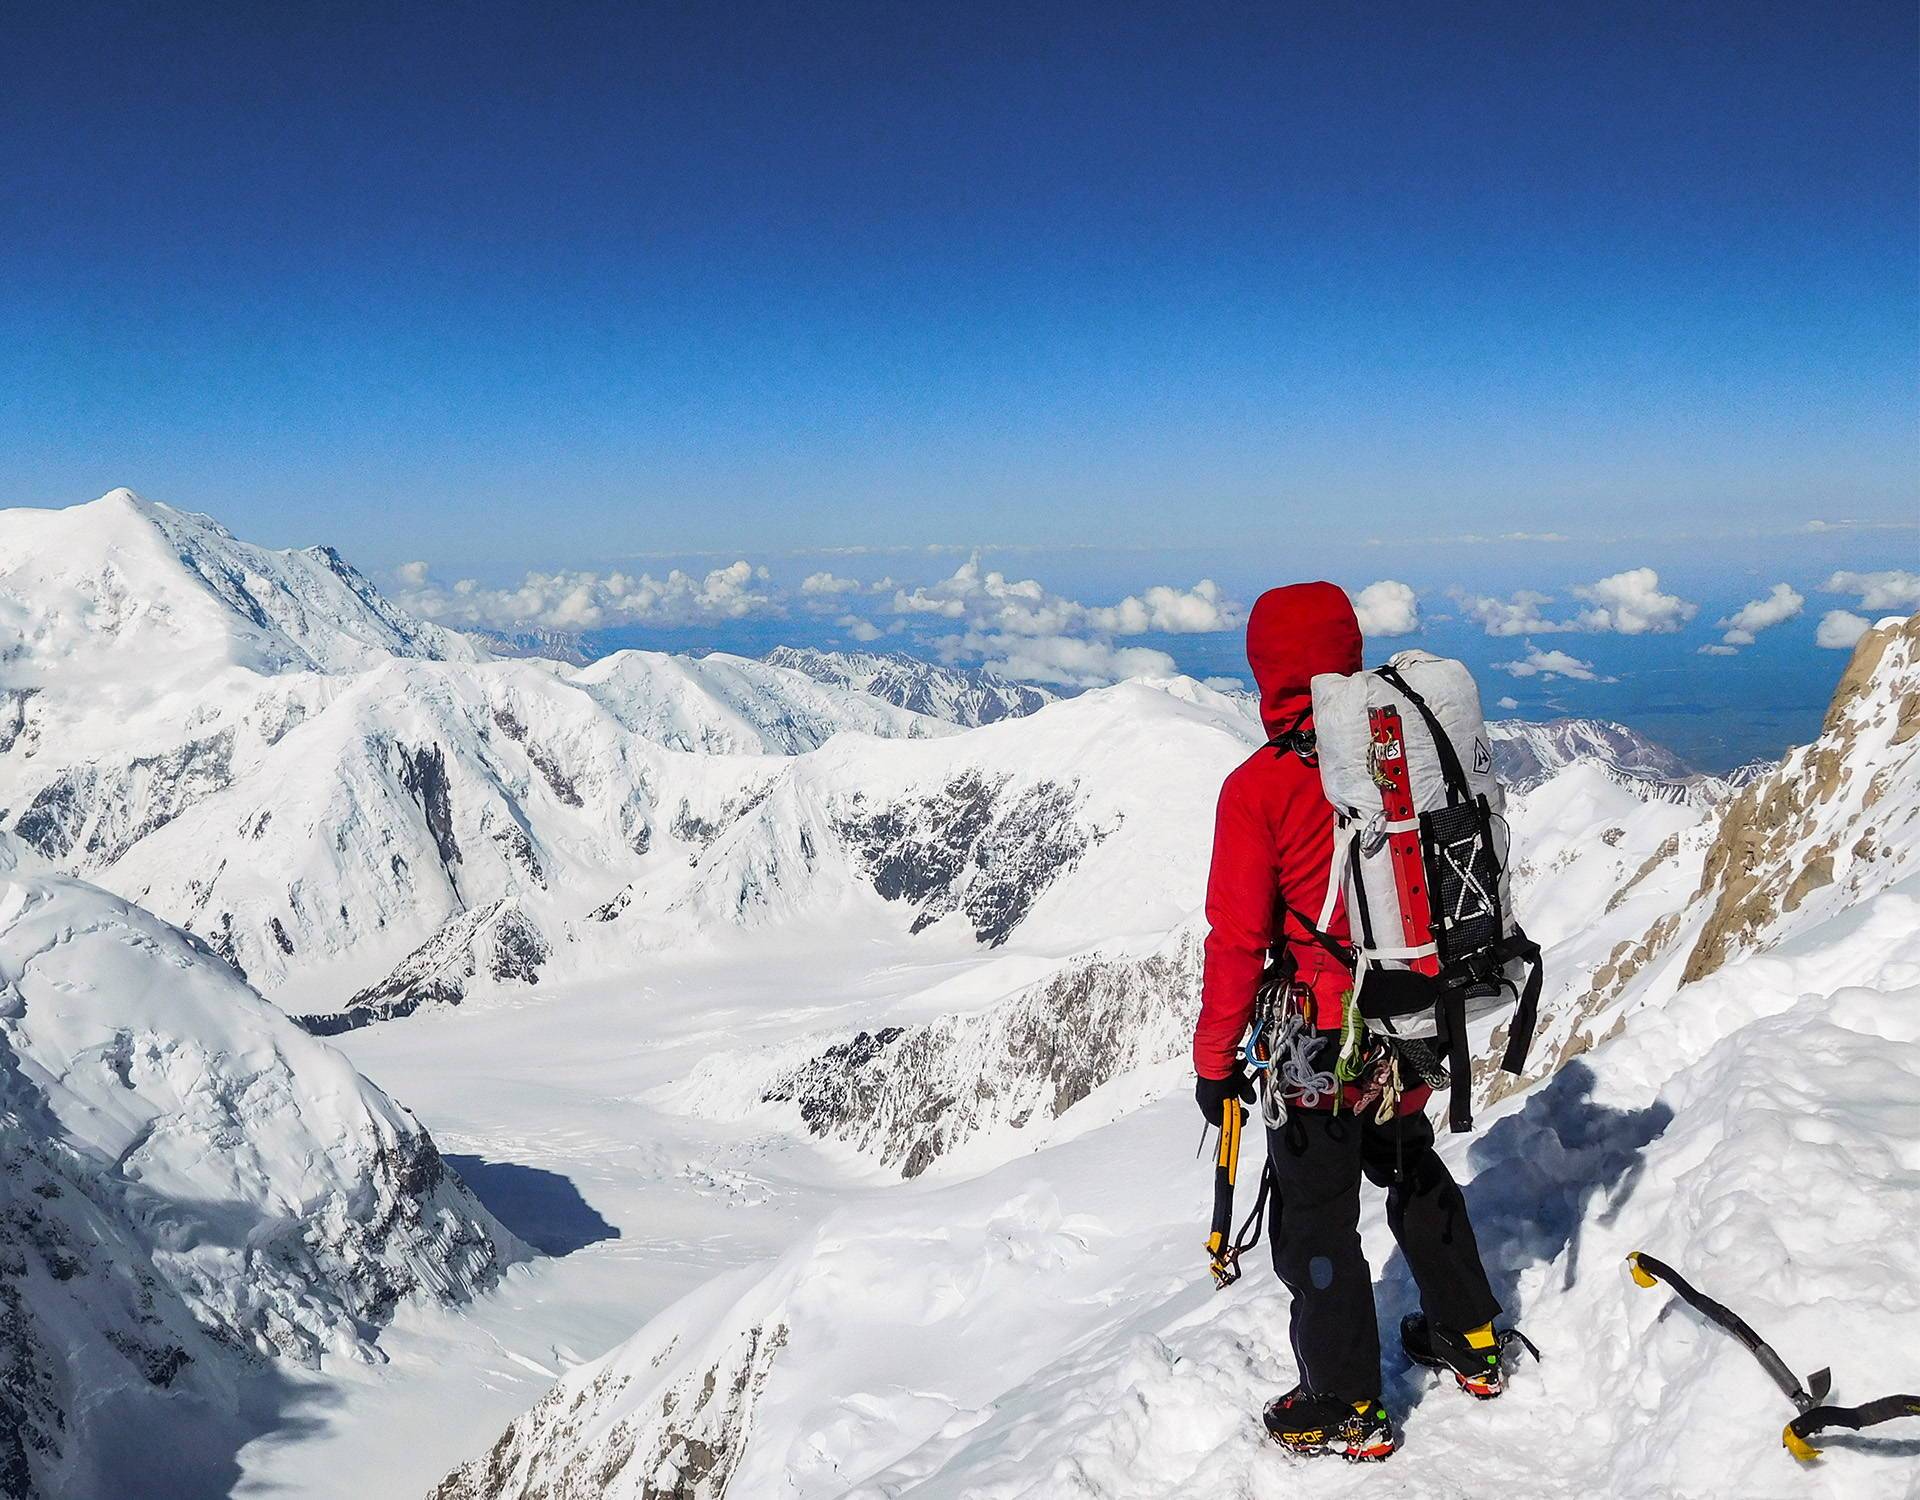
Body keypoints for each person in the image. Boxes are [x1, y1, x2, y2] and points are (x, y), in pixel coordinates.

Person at [1192, 581, 1506, 1463]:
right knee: (1409, 1165)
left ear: (1267, 671)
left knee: (1315, 1219)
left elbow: (1238, 940)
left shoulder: (1259, 789)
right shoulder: (1397, 761)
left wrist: (1214, 1060)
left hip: (1322, 1044)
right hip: (1407, 1022)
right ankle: (1472, 1339)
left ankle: (1345, 1403)